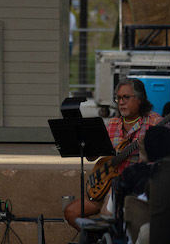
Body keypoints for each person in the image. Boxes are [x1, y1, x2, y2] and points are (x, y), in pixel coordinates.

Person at [63, 79, 162, 228]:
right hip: (105, 186)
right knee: (71, 212)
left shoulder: (155, 123)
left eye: (126, 97)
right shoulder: (113, 123)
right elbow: (93, 155)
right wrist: (85, 145)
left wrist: (146, 148)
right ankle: (97, 237)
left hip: (134, 189)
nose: (121, 102)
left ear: (140, 99)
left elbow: (163, 160)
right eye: (118, 98)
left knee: (108, 212)